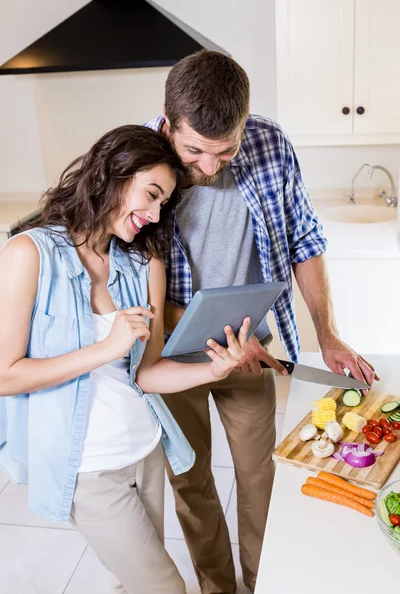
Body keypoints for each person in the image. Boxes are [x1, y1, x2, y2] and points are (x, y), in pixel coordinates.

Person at [145, 51, 379, 594]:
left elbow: (305, 239)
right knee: (192, 481)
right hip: (169, 357)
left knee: (259, 479)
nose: (208, 166)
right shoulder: (138, 158)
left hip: (253, 349)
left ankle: (262, 583)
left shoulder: (270, 144)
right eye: (193, 151)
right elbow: (125, 282)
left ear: (245, 124)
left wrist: (328, 334)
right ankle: (218, 588)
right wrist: (214, 336)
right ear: (167, 118)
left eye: (224, 150)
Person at [0, 125, 251, 594]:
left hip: (144, 450)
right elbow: (5, 375)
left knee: (136, 581)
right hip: (88, 468)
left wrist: (214, 369)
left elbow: (148, 374)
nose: (155, 215)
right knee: (165, 587)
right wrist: (104, 349)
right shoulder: (29, 254)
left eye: (164, 204)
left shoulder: (144, 263)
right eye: (151, 195)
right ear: (112, 175)